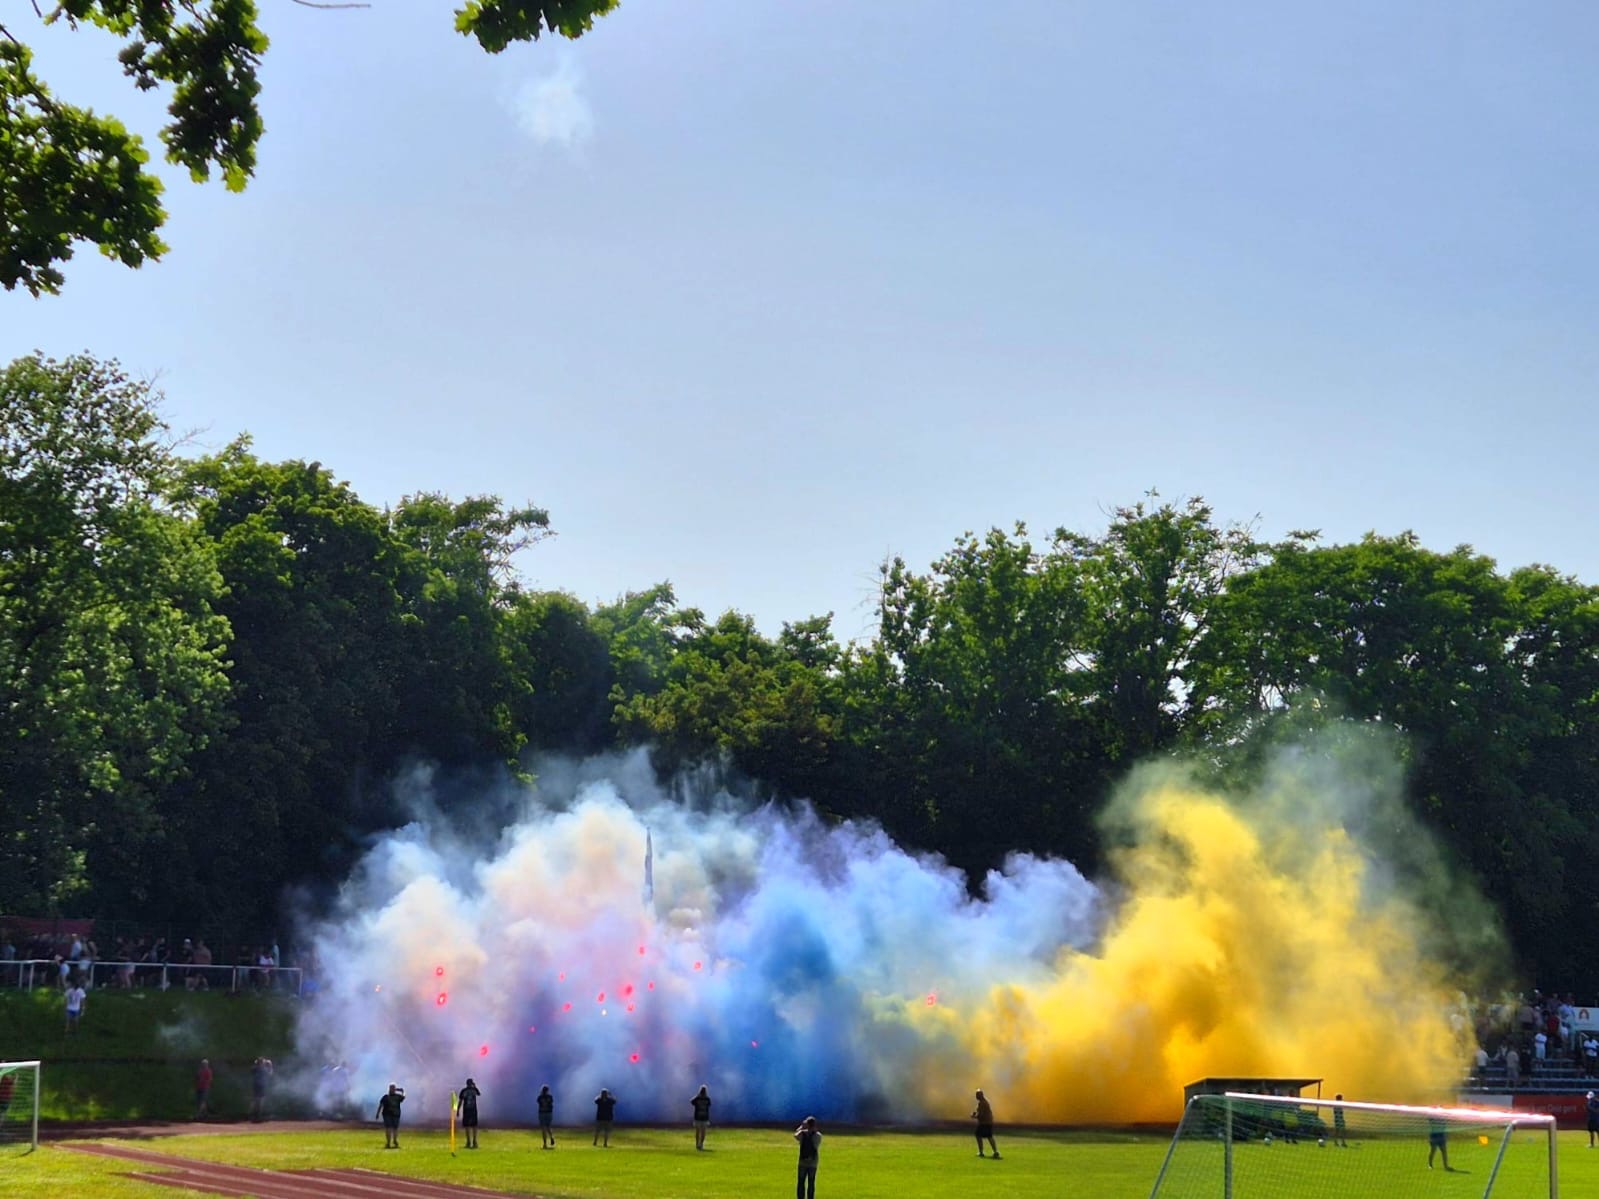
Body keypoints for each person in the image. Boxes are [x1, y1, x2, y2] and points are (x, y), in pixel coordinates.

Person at [794, 1115, 822, 1199]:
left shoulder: (802, 1134)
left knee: (801, 1182)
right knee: (811, 1182)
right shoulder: (818, 1136)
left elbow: (795, 1135)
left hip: (802, 1161)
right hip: (813, 1162)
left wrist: (801, 1127)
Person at [971, 1088, 1000, 1158]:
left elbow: (981, 1115)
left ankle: (981, 1152)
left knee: (978, 1135)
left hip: (984, 1123)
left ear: (980, 1095)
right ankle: (995, 1152)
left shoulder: (982, 1103)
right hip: (988, 1122)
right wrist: (976, 1114)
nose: (976, 1096)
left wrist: (974, 1116)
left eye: (977, 1095)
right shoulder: (984, 1102)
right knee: (989, 1136)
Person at [376, 1083, 406, 1149]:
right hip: (389, 1114)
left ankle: (393, 1141)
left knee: (393, 1129)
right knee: (390, 1129)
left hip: (394, 1115)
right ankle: (390, 1142)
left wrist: (403, 1091)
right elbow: (380, 1105)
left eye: (393, 1088)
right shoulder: (387, 1097)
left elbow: (404, 1097)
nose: (392, 1089)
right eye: (392, 1088)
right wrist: (402, 1091)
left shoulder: (394, 1097)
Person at [459, 1078, 482, 1149]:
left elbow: (460, 1101)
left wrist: (457, 1110)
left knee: (467, 1126)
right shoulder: (474, 1090)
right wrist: (475, 1086)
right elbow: (479, 1093)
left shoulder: (463, 1091)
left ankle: (469, 1141)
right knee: (474, 1126)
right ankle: (474, 1141)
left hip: (466, 1110)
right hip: (473, 1110)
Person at [250, 1057, 274, 1121]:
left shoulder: (254, 1068)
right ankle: (258, 1116)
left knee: (255, 1100)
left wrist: (257, 1062)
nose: (264, 1063)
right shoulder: (263, 1069)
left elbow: (254, 1067)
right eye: (263, 1062)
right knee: (260, 1101)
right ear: (261, 1063)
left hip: (255, 1086)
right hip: (261, 1086)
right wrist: (270, 1065)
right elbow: (270, 1074)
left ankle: (252, 1115)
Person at [691, 1084, 712, 1150]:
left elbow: (691, 1101)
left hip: (697, 1117)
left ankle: (697, 1144)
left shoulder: (697, 1098)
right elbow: (709, 1105)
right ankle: (701, 1144)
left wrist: (697, 1096)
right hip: (705, 1117)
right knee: (703, 1132)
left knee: (698, 1131)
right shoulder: (707, 1098)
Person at [537, 1084, 556, 1148]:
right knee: (548, 1127)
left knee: (543, 1129)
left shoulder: (540, 1097)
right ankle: (551, 1137)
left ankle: (545, 1144)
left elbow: (539, 1103)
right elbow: (551, 1104)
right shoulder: (550, 1097)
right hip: (549, 1113)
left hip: (542, 1113)